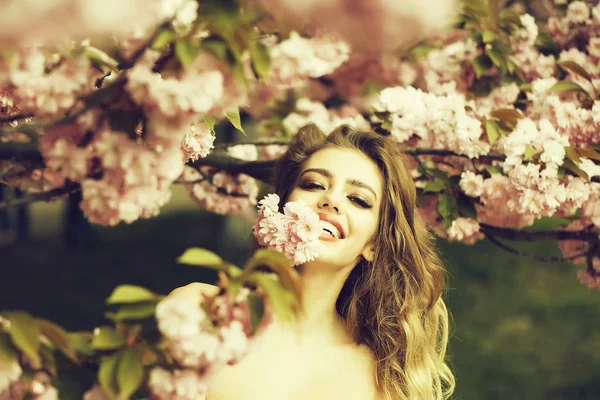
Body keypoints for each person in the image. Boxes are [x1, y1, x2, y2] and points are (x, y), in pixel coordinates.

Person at [181, 124, 455, 399]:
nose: (331, 199)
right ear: (280, 206)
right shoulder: (195, 310)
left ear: (373, 244)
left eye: (358, 200)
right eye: (313, 185)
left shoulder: (378, 380)